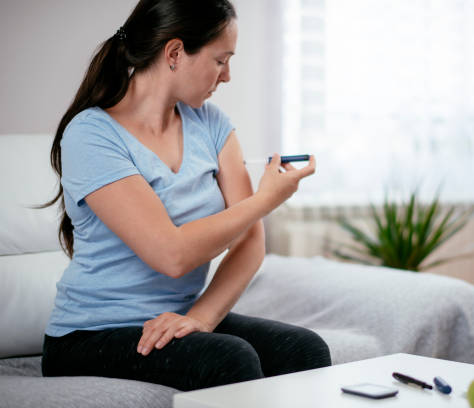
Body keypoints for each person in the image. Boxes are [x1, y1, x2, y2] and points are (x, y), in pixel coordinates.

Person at [41, 0, 331, 391]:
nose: (227, 76)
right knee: (229, 359)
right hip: (91, 336)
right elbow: (171, 255)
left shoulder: (212, 124)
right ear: (175, 53)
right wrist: (265, 199)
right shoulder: (92, 135)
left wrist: (200, 320)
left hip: (175, 316)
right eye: (220, 60)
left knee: (304, 349)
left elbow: (250, 241)